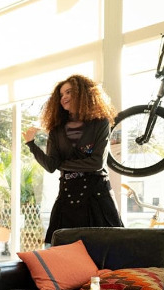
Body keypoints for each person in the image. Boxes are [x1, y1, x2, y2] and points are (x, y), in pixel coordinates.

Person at [23, 74, 123, 244]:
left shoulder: (101, 123)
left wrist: (63, 165)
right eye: (61, 95)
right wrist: (31, 144)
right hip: (68, 194)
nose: (64, 98)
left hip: (97, 195)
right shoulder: (56, 130)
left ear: (83, 93)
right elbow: (50, 166)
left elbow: (97, 163)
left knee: (107, 247)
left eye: (69, 92)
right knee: (63, 249)